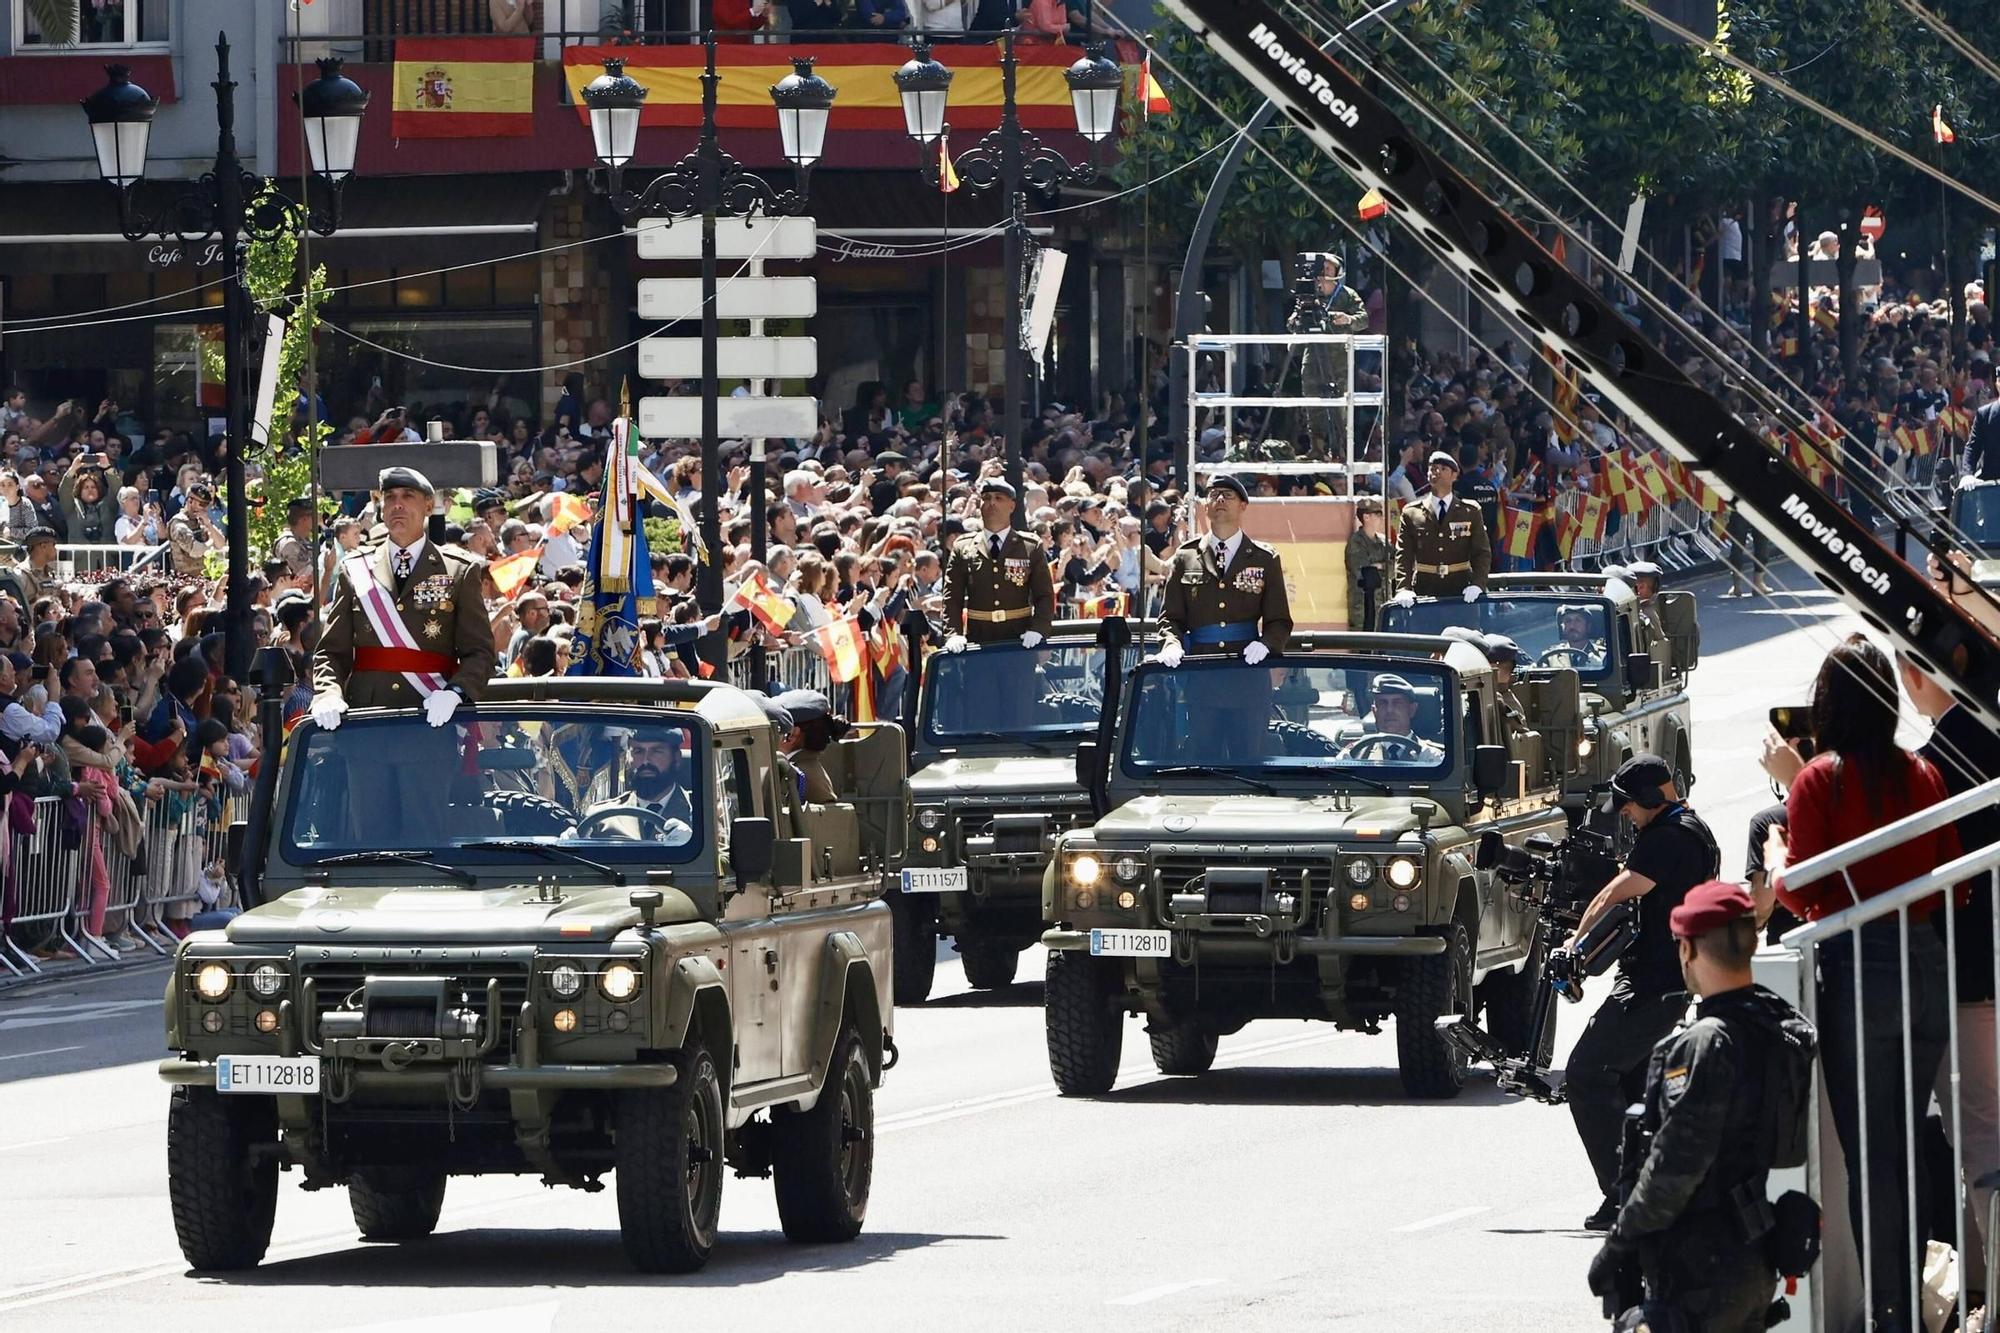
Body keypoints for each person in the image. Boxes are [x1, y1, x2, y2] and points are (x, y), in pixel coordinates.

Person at [1768, 636, 1956, 1333]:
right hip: (1924, 963)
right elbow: (1951, 883)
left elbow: (1800, 886)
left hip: (1857, 971)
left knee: (1869, 1155)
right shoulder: (1923, 774)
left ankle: (1890, 1311)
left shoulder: (1822, 778)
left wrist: (1777, 862)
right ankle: (1902, 1297)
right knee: (1906, 1142)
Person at [1588, 881, 1818, 1333]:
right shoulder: (1775, 1024)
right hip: (1753, 1256)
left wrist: (1619, 1243)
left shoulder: (1706, 1044)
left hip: (1697, 1269)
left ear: (1688, 950)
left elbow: (1676, 1164)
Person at [1566, 753, 1721, 1230]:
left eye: (1630, 805)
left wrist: (1574, 944)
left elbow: (1617, 893)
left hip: (1653, 985)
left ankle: (1625, 1197)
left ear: (1653, 798)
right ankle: (1651, 1193)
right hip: (1670, 981)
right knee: (1632, 1090)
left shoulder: (1670, 838)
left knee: (1588, 1076)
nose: (1627, 814)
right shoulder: (1693, 831)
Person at [1896, 651, 2000, 1275]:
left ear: (1919, 676)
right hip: (1979, 962)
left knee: (1979, 1130)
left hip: (1968, 969)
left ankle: (1990, 1280)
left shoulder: (1937, 758)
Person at [310, 466, 496, 725]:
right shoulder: (355, 568)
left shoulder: (459, 569)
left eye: (408, 496)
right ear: (381, 509)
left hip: (431, 720)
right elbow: (331, 652)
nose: (397, 505)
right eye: (390, 497)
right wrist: (328, 694)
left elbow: (480, 652)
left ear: (429, 507)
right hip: (366, 724)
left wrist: (456, 692)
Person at [1154, 474, 1292, 667]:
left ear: (1243, 506)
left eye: (1228, 495)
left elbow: (1279, 619)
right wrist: (1171, 644)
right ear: (1205, 506)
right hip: (1200, 666)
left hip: (1247, 665)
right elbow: (1170, 617)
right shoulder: (1186, 556)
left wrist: (1266, 645)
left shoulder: (1264, 558)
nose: (1220, 499)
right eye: (1214, 494)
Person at [940, 479, 1054, 651]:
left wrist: (1038, 629)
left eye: (999, 498)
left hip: (1019, 639)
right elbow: (952, 597)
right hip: (978, 639)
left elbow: (1044, 595)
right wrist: (953, 633)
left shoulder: (1029, 546)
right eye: (986, 498)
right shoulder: (963, 546)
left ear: (1012, 506)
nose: (991, 503)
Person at [1286, 253, 1369, 456]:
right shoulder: (1310, 294)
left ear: (1337, 273)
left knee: (1340, 404)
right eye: (1321, 269)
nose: (1323, 273)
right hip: (1312, 356)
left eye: (1328, 269)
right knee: (1313, 404)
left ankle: (1342, 448)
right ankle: (1317, 447)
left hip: (1338, 358)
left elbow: (1364, 319)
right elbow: (1291, 322)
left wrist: (1348, 319)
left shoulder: (1347, 295)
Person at [1390, 452, 1490, 602]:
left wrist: (1478, 584)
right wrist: (1404, 588)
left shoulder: (1470, 511)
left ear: (1454, 475)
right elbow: (1404, 554)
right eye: (1433, 468)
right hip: (1425, 589)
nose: (1436, 472)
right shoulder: (1412, 512)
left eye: (1443, 468)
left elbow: (1482, 552)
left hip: (1460, 588)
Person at [580, 731, 696, 844]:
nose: (646, 761)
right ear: (628, 758)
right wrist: (572, 845)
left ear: (676, 758)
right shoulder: (601, 816)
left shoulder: (700, 814)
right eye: (638, 751)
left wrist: (692, 844)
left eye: (656, 751)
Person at [1337, 672, 1442, 763]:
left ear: (1411, 710)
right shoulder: (1355, 755)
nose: (1389, 710)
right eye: (1382, 703)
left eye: (1397, 703)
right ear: (1374, 711)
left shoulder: (1431, 757)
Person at [1346, 497, 1391, 630]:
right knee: (1363, 645)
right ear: (1366, 517)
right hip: (1363, 605)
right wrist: (1383, 567)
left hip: (1382, 602)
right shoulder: (1357, 542)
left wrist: (1380, 566)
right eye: (1377, 514)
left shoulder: (1383, 542)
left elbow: (1396, 566)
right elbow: (1364, 572)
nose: (1381, 517)